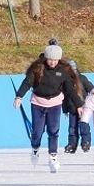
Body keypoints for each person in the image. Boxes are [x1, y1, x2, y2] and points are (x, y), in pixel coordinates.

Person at [14, 42, 84, 173]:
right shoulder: (38, 69)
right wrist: (19, 96)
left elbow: (70, 90)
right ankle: (35, 149)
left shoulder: (62, 72)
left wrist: (79, 105)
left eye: (55, 60)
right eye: (50, 59)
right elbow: (27, 83)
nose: (52, 62)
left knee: (53, 130)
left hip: (54, 104)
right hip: (38, 103)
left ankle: (53, 156)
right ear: (46, 58)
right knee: (37, 131)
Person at [63, 59, 94, 154]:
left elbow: (91, 89)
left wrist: (91, 102)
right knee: (72, 128)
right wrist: (65, 109)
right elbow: (64, 97)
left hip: (83, 108)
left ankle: (86, 143)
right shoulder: (66, 81)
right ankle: (72, 145)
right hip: (72, 109)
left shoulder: (82, 79)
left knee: (84, 126)